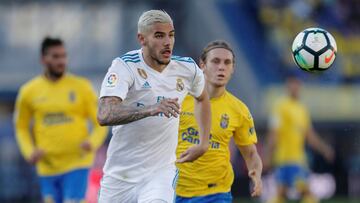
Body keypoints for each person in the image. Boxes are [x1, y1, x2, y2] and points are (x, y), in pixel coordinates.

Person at [97, 10, 211, 203]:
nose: (168, 42)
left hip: (159, 174)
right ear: (142, 39)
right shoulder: (124, 66)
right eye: (159, 35)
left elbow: (203, 99)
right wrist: (150, 109)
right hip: (119, 177)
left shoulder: (188, 69)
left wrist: (203, 142)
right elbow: (104, 114)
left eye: (171, 35)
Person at [14, 37, 108, 203]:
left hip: (77, 163)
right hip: (47, 166)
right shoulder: (29, 92)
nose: (61, 61)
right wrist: (29, 151)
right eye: (55, 56)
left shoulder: (81, 87)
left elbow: (101, 121)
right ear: (43, 59)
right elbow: (21, 126)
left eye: (64, 56)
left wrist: (92, 142)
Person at [175, 40, 263, 203]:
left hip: (215, 192)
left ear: (232, 69)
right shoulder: (179, 98)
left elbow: (251, 153)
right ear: (202, 65)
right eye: (215, 61)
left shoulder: (239, 110)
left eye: (227, 62)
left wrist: (256, 174)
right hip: (173, 188)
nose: (221, 67)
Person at [265, 75, 334, 203]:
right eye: (292, 84)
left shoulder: (302, 109)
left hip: (297, 158)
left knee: (288, 192)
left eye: (297, 84)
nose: (295, 87)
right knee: (299, 192)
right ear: (287, 86)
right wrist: (268, 155)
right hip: (282, 158)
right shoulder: (280, 106)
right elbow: (274, 133)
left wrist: (324, 149)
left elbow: (310, 135)